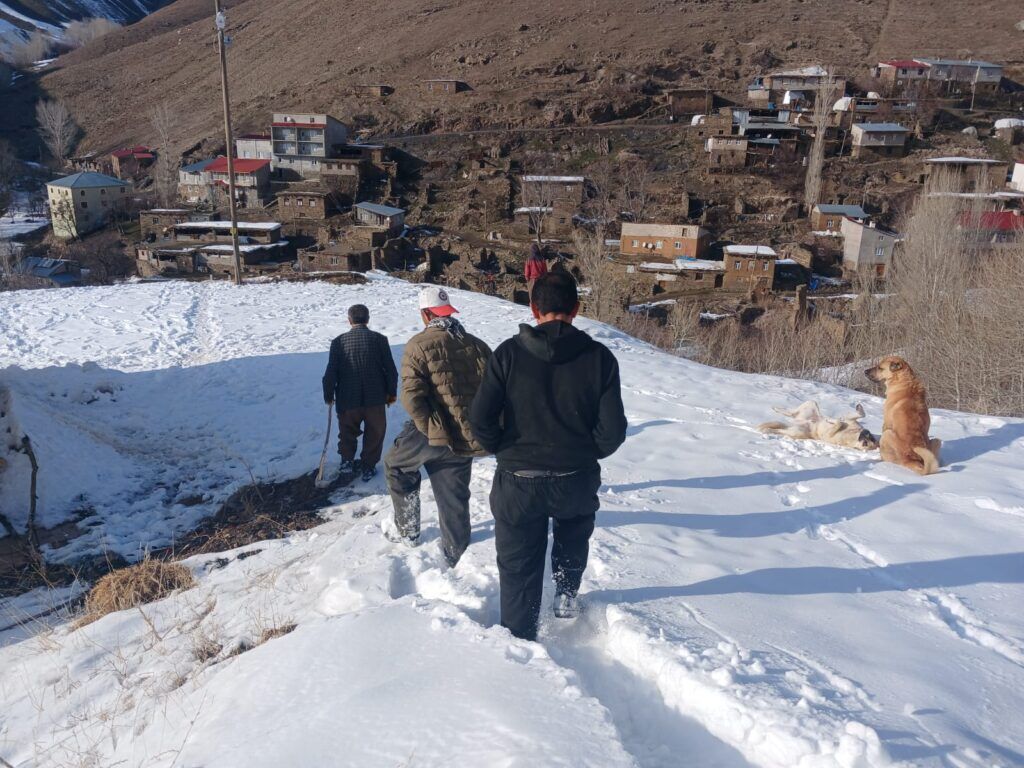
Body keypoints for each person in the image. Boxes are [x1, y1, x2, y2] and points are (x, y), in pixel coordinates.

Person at [470, 272, 627, 641]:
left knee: (518, 563)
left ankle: (519, 638)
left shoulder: (507, 354)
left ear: (533, 308)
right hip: (575, 477)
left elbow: (480, 419)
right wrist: (584, 453)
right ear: (576, 308)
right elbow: (613, 430)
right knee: (573, 535)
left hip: (518, 480)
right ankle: (566, 594)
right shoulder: (599, 358)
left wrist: (505, 450)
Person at [384, 286, 491, 567]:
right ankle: (457, 553)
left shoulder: (418, 345)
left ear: (425, 314)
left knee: (396, 465)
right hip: (465, 434)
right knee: (454, 495)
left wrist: (430, 428)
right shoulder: (477, 345)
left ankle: (408, 530)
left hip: (431, 432)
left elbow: (412, 397)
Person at [322, 304, 399, 483]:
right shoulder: (380, 340)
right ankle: (368, 466)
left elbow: (330, 373)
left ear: (349, 320)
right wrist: (391, 394)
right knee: (375, 433)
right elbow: (391, 371)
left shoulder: (338, 342)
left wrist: (328, 395)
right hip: (375, 398)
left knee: (347, 432)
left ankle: (346, 461)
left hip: (347, 399)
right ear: (368, 319)